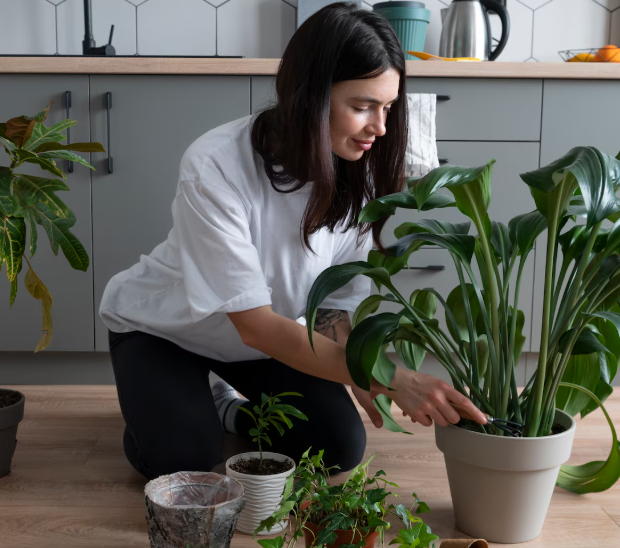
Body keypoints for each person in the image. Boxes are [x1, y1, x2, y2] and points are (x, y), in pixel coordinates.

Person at [99, 2, 487, 481]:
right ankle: (161, 410)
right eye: (363, 106)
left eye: (387, 107)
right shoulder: (215, 166)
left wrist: (365, 379)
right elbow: (256, 325)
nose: (380, 128)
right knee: (184, 458)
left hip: (261, 346)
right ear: (310, 97)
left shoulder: (355, 171)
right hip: (167, 332)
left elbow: (332, 308)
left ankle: (225, 407)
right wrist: (389, 376)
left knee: (339, 445)